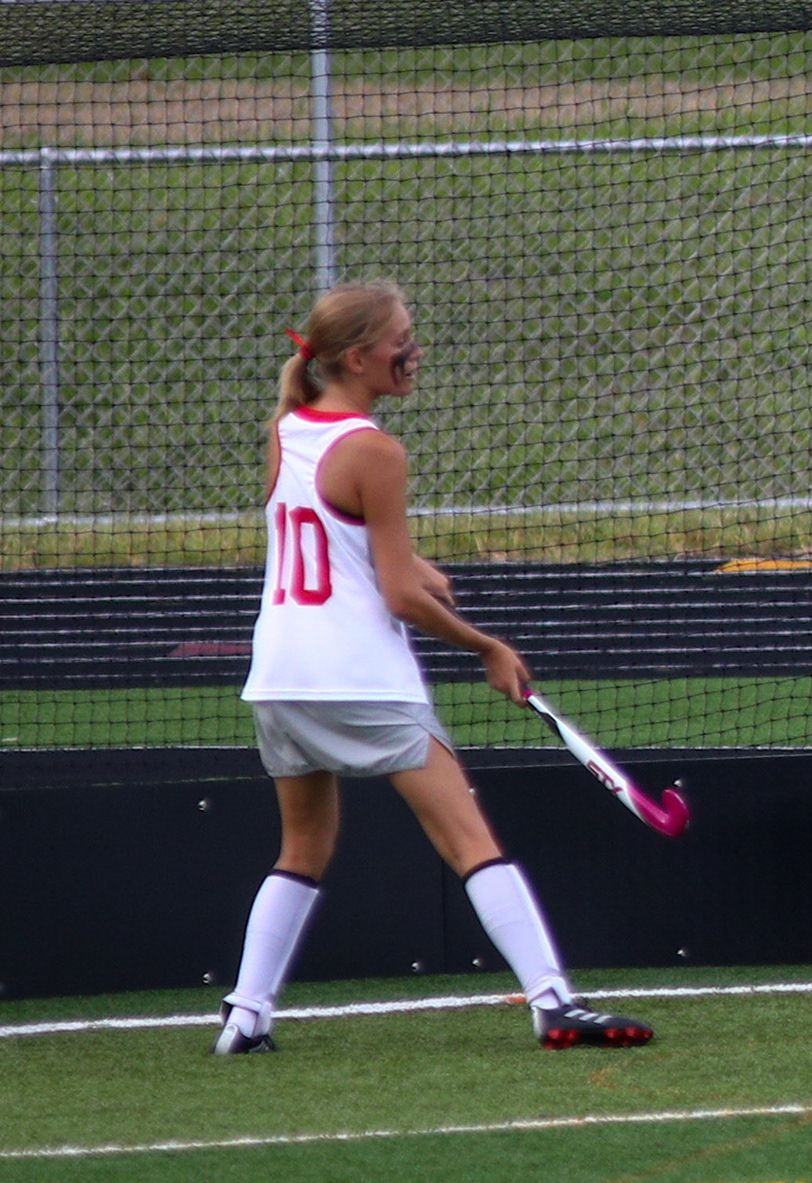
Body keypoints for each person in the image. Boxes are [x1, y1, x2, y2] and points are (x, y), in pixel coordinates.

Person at [216, 281, 651, 1054]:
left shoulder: (287, 427)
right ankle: (554, 1002)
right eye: (401, 341)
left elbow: (322, 528)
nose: (414, 352)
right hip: (358, 676)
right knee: (467, 837)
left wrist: (409, 559)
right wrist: (486, 647)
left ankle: (245, 1017)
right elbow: (397, 597)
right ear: (358, 358)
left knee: (303, 848)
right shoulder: (377, 452)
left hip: (279, 677)